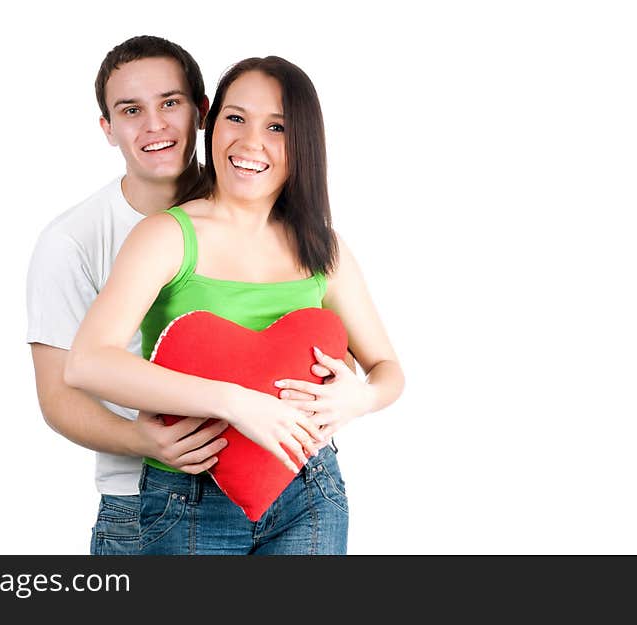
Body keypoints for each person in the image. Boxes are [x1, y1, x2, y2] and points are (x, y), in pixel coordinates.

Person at [65, 56, 405, 554]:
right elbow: (88, 362)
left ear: (302, 143)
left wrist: (362, 398)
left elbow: (388, 368)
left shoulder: (322, 248)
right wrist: (234, 402)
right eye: (236, 118)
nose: (250, 143)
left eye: (277, 126)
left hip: (308, 491)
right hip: (190, 496)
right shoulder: (168, 235)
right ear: (211, 123)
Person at [26, 37, 336, 555]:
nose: (154, 125)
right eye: (131, 110)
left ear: (201, 112)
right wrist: (144, 442)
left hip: (283, 481)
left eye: (170, 103)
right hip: (144, 493)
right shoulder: (72, 241)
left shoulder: (258, 210)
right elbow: (59, 393)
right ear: (107, 128)